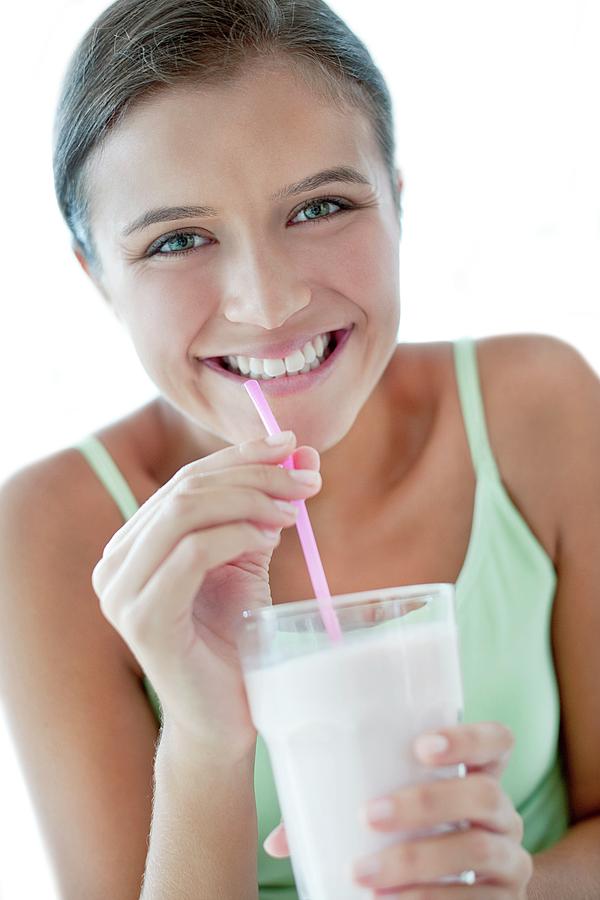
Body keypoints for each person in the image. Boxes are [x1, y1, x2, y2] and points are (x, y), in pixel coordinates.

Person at [0, 0, 599, 897]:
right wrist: (205, 741)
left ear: (398, 198)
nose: (267, 302)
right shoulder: (48, 533)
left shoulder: (536, 409)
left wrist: (511, 889)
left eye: (321, 206)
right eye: (178, 239)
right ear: (100, 282)